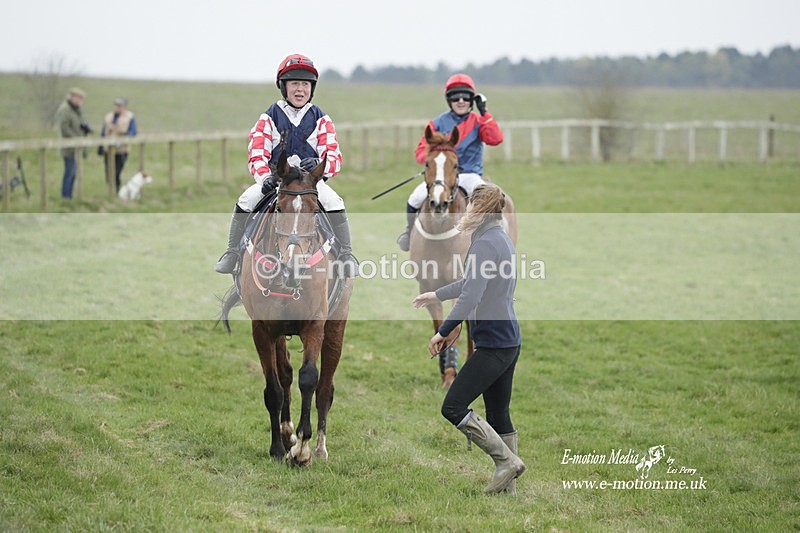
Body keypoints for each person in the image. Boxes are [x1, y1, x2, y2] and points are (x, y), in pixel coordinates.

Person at [412, 183, 524, 495]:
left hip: (494, 345)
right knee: (499, 412)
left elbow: (471, 293)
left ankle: (507, 462)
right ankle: (509, 487)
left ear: (479, 209)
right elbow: (471, 281)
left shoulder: (485, 243)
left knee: (453, 406)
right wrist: (437, 293)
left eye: (470, 206)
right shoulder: (495, 237)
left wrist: (442, 330)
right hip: (508, 340)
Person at [214, 53, 357, 278]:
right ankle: (232, 253)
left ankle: (347, 255)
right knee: (246, 200)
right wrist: (264, 178)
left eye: (305, 84)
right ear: (283, 86)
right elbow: (257, 151)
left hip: (310, 183)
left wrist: (320, 166)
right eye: (294, 84)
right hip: (277, 182)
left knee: (334, 202)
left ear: (312, 88)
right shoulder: (269, 116)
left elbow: (333, 156)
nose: (300, 90)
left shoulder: (321, 118)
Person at [397, 73, 504, 251]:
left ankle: (492, 239)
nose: (460, 101)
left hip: (469, 174)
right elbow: (420, 153)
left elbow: (496, 139)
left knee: (486, 198)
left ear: (472, 100)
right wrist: (435, 161)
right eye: (455, 97)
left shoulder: (479, 121)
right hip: (441, 175)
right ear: (449, 100)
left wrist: (484, 113)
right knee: (415, 198)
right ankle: (409, 233)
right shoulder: (436, 123)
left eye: (466, 97)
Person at [54, 87, 91, 199]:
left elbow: (78, 125)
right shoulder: (65, 110)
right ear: (72, 97)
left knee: (74, 173)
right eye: (78, 98)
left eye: (81, 99)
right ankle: (66, 196)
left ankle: (69, 195)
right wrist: (77, 139)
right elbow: (64, 128)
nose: (80, 101)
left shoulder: (76, 110)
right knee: (69, 172)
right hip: (69, 147)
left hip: (76, 147)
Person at [100, 97, 137, 192]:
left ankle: (116, 190)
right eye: (117, 105)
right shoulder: (108, 116)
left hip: (122, 150)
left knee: (117, 171)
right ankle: (111, 189)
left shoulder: (130, 117)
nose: (118, 108)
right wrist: (100, 146)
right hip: (108, 149)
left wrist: (124, 135)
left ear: (125, 107)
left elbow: (133, 132)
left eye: (120, 106)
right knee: (109, 171)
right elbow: (103, 132)